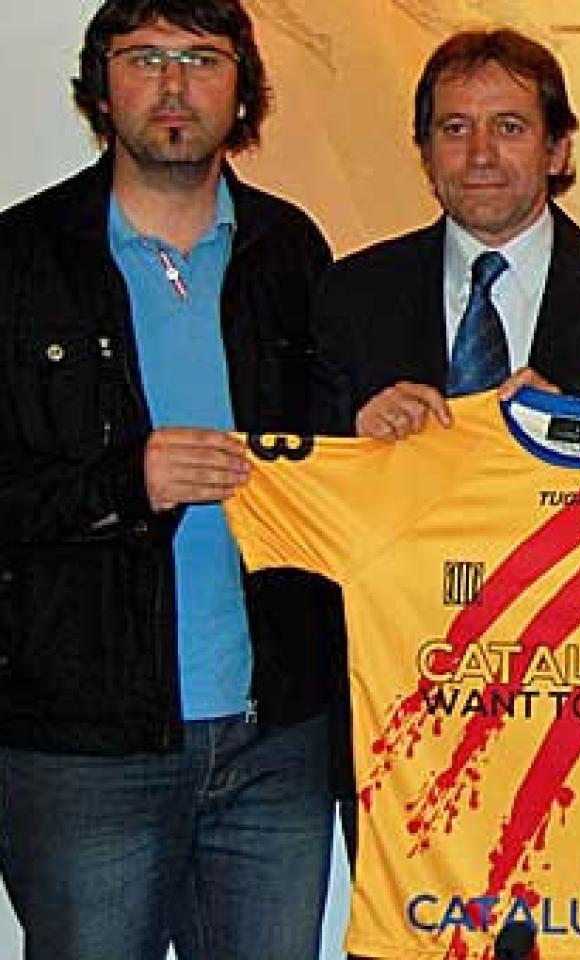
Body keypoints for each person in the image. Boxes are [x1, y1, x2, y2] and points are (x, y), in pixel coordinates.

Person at [0, 0, 339, 956]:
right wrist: (123, 481)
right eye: (144, 57)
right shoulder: (21, 260)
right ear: (101, 85)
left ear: (243, 90)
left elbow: (333, 461)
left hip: (276, 732)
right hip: (82, 746)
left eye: (202, 58)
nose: (175, 84)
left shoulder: (291, 251)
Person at [313, 28, 580, 438]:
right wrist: (354, 437)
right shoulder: (352, 294)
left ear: (557, 151)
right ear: (426, 154)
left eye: (509, 128)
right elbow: (301, 466)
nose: (480, 155)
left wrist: (578, 435)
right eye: (456, 129)